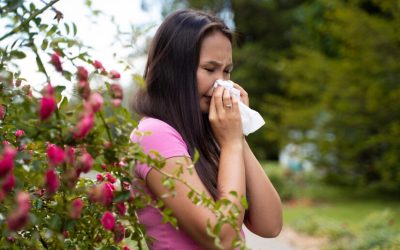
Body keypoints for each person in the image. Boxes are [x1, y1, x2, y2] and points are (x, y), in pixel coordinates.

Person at [131, 9, 282, 250]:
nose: (222, 83)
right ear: (175, 71)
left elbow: (270, 225)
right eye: (210, 69)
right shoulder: (155, 135)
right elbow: (221, 238)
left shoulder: (208, 134)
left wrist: (238, 137)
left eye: (227, 71)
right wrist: (231, 145)